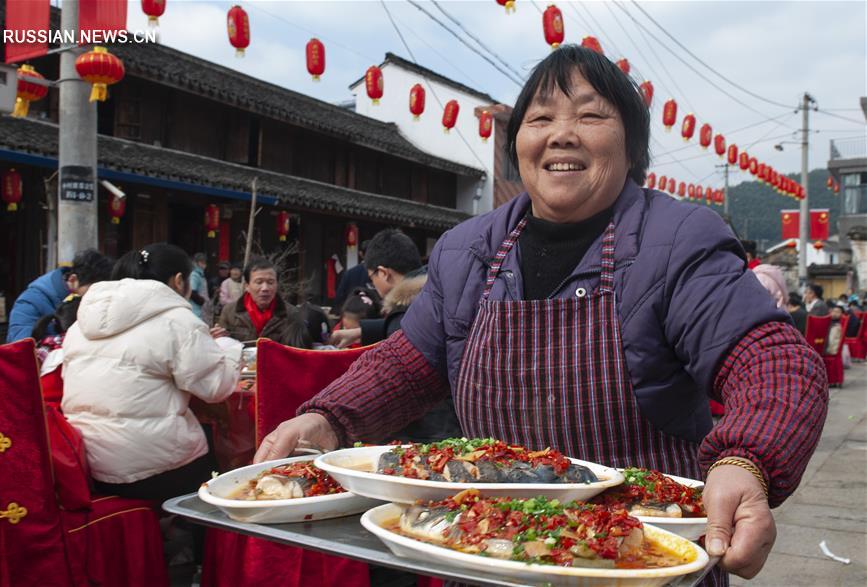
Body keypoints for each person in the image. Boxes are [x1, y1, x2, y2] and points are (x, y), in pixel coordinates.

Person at [255, 45, 829, 585]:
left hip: (642, 551)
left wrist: (745, 461)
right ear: (518, 145)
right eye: (541, 119)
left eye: (590, 116)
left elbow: (772, 361)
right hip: (491, 548)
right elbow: (408, 362)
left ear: (632, 148)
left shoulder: (677, 238)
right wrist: (328, 417)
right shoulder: (468, 249)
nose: (561, 135)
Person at [61, 243, 242, 501]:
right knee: (219, 469)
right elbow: (216, 388)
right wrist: (228, 349)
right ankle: (202, 538)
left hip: (88, 459)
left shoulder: (80, 323)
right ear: (179, 281)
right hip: (150, 467)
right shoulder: (177, 321)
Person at [330, 229, 424, 349]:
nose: (373, 284)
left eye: (371, 277)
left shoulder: (407, 309)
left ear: (383, 273)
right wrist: (361, 332)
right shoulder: (430, 295)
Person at [7, 249, 113, 342]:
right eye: (91, 290)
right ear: (73, 280)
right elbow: (21, 348)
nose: (95, 296)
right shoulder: (30, 302)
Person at [212, 256, 302, 344]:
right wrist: (218, 336)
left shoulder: (291, 314)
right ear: (247, 286)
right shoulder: (229, 311)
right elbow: (222, 346)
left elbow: (297, 351)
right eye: (259, 282)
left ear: (277, 285)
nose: (265, 288)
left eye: (270, 282)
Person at [332, 239, 372, 314]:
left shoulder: (350, 273)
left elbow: (339, 296)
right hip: (373, 315)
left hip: (352, 313)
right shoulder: (380, 273)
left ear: (360, 254)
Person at [189, 252, 209, 320]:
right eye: (201, 261)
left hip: (202, 310)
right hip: (196, 310)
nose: (203, 264)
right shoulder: (194, 275)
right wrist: (201, 301)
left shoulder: (201, 275)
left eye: (204, 261)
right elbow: (192, 291)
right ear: (195, 263)